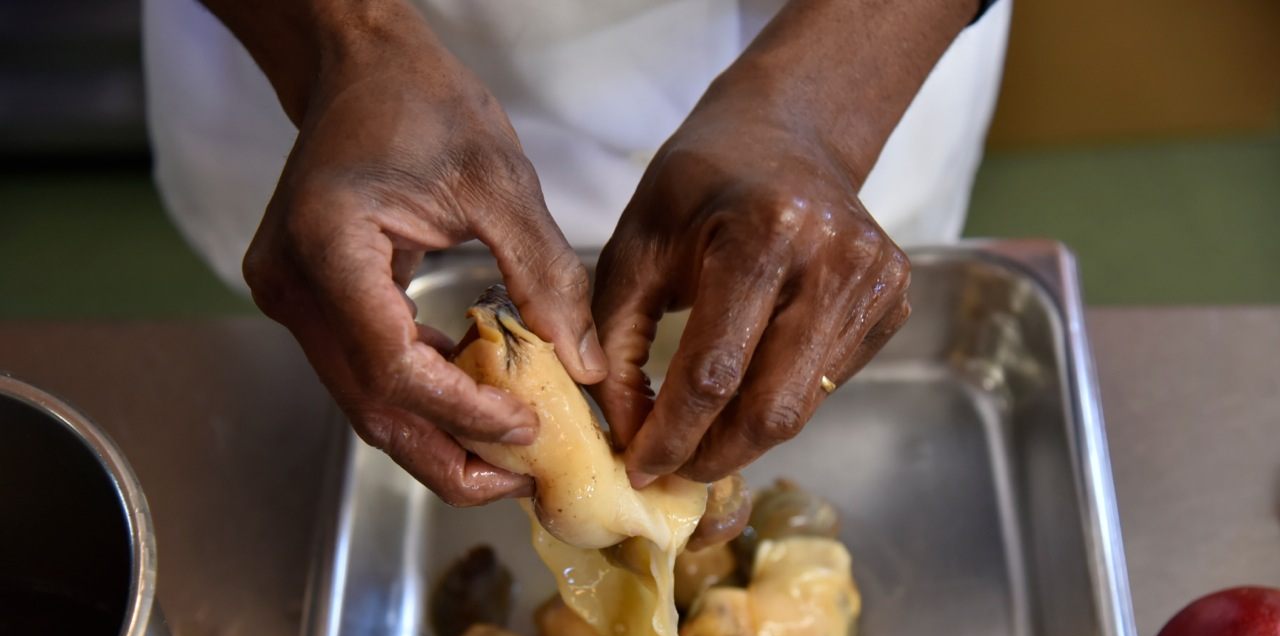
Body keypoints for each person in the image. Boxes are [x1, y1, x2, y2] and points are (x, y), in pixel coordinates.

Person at [143, 0, 1009, 505]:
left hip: (850, 50)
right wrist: (342, 43)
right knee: (344, 404)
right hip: (340, 86)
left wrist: (824, 109)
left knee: (812, 406)